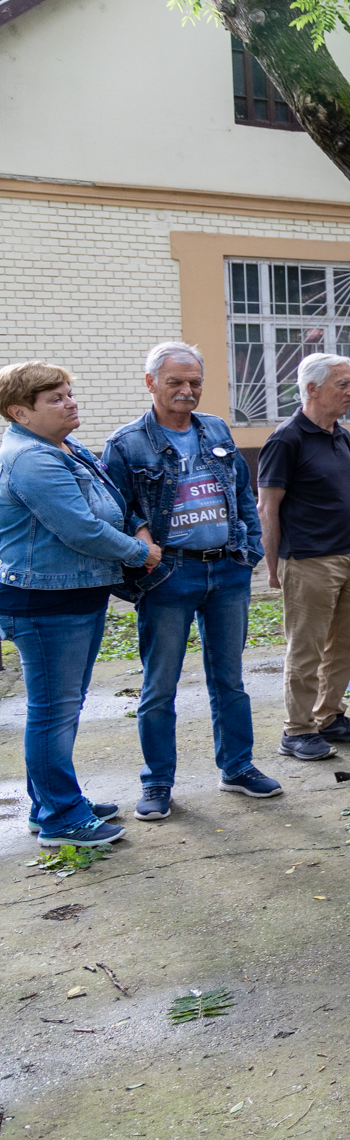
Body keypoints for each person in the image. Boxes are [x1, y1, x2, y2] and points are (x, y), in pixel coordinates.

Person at [101, 341, 280, 821]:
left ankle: (238, 768)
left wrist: (250, 550)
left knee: (230, 679)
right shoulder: (125, 444)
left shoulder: (217, 429)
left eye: (194, 382)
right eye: (175, 382)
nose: (187, 390)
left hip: (227, 570)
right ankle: (157, 782)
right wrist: (140, 537)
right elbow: (112, 510)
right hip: (168, 576)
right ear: (151, 383)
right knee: (160, 686)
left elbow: (244, 492)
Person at [0, 361, 159, 848]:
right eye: (55, 399)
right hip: (46, 603)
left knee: (61, 708)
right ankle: (61, 819)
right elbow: (81, 529)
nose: (70, 402)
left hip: (73, 596)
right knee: (53, 711)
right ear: (19, 412)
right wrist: (140, 551)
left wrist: (136, 527)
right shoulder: (32, 459)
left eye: (69, 393)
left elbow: (110, 501)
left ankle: (52, 802)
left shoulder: (64, 447)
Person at [257, 352, 350, 761]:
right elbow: (267, 507)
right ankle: (297, 730)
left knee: (345, 645)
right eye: (342, 384)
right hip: (309, 561)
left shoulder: (340, 435)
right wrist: (272, 566)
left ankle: (328, 716)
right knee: (306, 648)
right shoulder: (286, 439)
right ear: (311, 389)